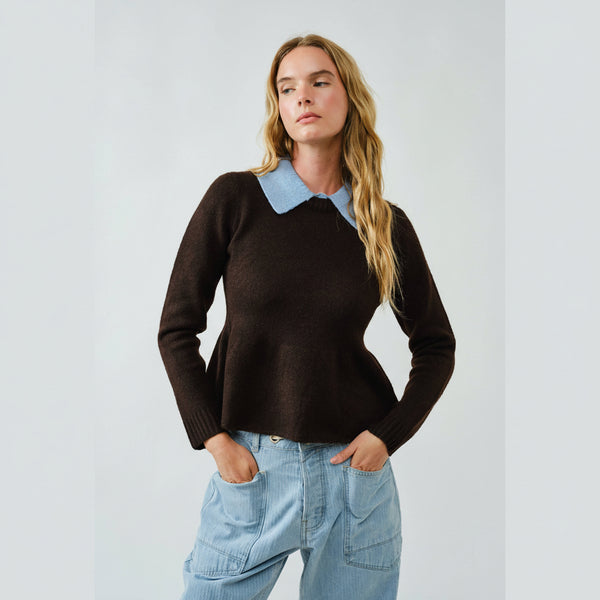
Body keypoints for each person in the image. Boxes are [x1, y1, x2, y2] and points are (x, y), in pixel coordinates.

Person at [157, 33, 455, 600]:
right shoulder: (236, 200)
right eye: (287, 87)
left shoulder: (383, 225)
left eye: (320, 81)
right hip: (254, 471)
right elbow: (176, 328)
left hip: (354, 482)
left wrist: (386, 437)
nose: (303, 97)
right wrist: (215, 440)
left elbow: (437, 346)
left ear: (348, 96)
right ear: (279, 106)